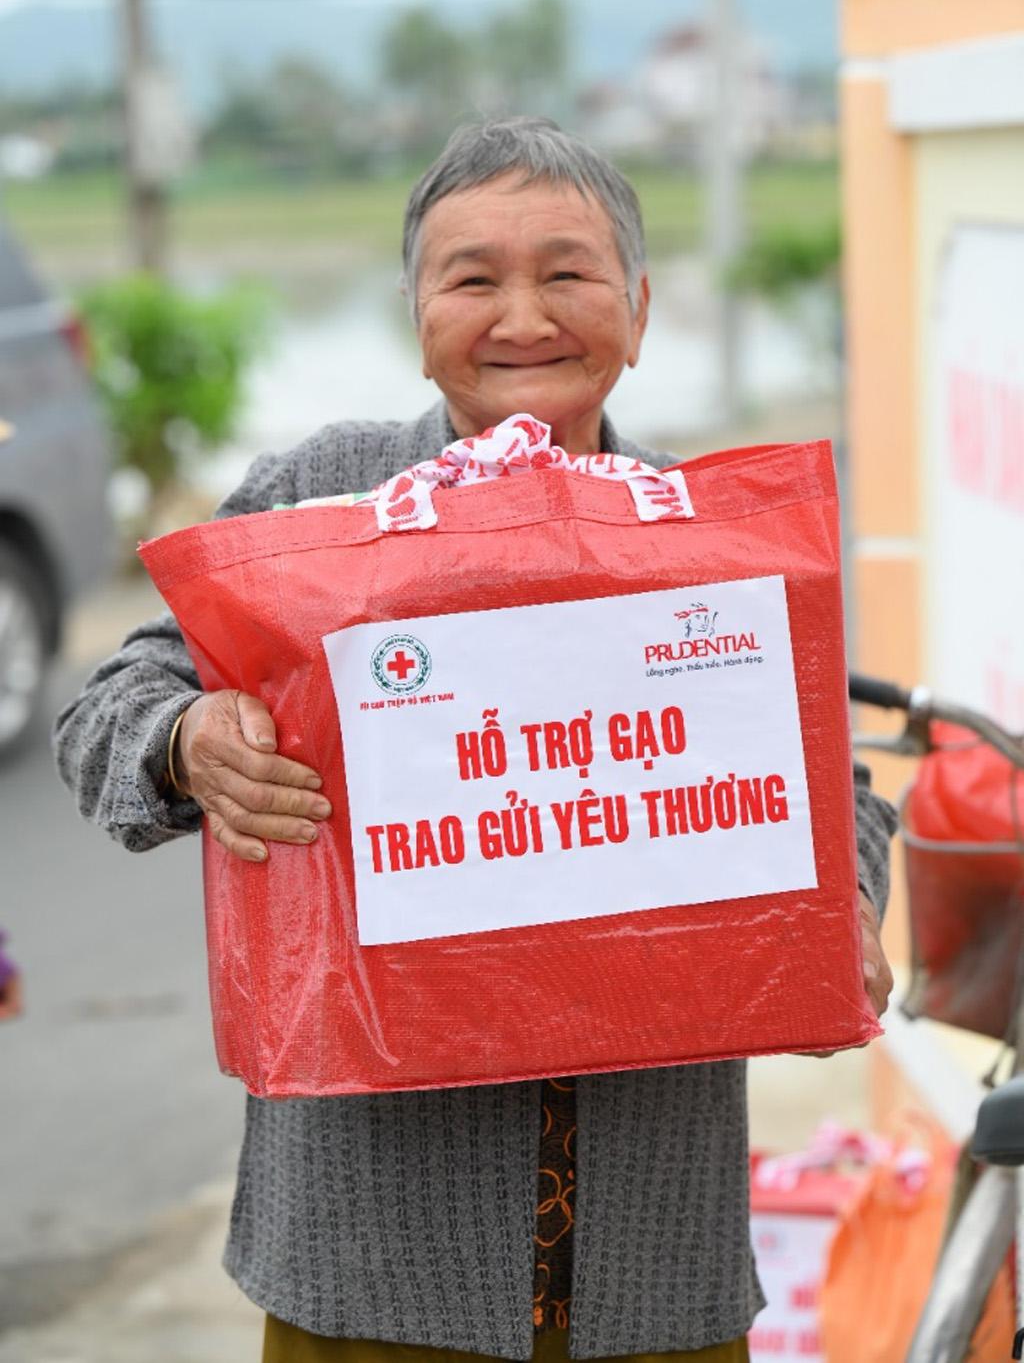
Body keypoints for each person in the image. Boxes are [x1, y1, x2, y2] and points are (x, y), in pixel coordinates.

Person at [55, 118, 896, 1363]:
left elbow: (835, 779)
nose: (522, 316)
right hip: (365, 1264)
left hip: (655, 1275)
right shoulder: (317, 501)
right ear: (415, 312)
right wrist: (187, 737)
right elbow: (104, 703)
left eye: (566, 272)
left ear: (640, 305)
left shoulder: (709, 537)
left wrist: (846, 910)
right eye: (472, 278)